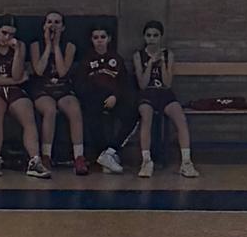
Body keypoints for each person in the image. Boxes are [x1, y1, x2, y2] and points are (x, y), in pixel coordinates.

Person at [0, 16, 50, 179]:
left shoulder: (20, 46)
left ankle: (35, 160)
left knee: (27, 111)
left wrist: (18, 52)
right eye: (4, 33)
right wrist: (15, 81)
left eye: (11, 34)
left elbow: (17, 74)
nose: (7, 37)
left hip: (14, 91)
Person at [133, 20, 199, 179]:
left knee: (180, 117)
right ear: (144, 37)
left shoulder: (168, 55)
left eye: (155, 35)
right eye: (149, 35)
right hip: (147, 93)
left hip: (164, 93)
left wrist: (162, 62)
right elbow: (142, 84)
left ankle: (186, 162)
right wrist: (150, 63)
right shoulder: (138, 55)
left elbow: (168, 83)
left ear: (160, 37)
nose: (152, 39)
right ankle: (146, 161)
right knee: (146, 116)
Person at [29, 10, 87, 175]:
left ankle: (79, 157)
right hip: (43, 88)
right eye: (49, 22)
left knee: (74, 109)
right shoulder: (36, 45)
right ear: (44, 26)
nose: (52, 26)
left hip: (62, 87)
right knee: (50, 110)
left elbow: (62, 72)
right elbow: (39, 70)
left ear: (63, 27)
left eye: (57, 22)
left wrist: (56, 46)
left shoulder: (69, 46)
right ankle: (46, 155)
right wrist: (48, 46)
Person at [80, 22, 134, 174]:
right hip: (94, 98)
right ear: (91, 39)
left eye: (102, 37)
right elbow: (81, 83)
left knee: (132, 114)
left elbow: (124, 83)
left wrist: (115, 96)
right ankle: (102, 154)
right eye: (96, 37)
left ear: (109, 39)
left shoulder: (116, 59)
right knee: (92, 116)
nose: (99, 40)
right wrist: (95, 96)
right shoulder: (86, 60)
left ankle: (110, 152)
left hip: (114, 98)